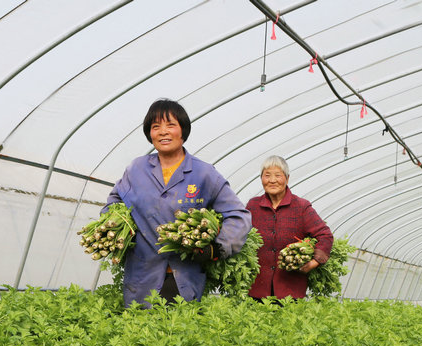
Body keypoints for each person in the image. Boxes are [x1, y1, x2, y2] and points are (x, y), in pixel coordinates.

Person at [102, 99, 251, 308]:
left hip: (183, 277)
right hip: (141, 276)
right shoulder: (136, 170)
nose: (163, 132)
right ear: (149, 134)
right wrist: (117, 227)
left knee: (178, 335)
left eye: (170, 125)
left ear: (183, 130)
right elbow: (114, 202)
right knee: (137, 337)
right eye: (156, 127)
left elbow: (239, 215)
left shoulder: (204, 173)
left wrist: (216, 248)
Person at [247, 155, 333, 300]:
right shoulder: (253, 206)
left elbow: (325, 235)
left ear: (287, 178)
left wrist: (313, 262)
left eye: (278, 175)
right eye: (267, 175)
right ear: (261, 179)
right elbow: (240, 235)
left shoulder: (301, 207)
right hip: (257, 289)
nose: (272, 180)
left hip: (290, 291)